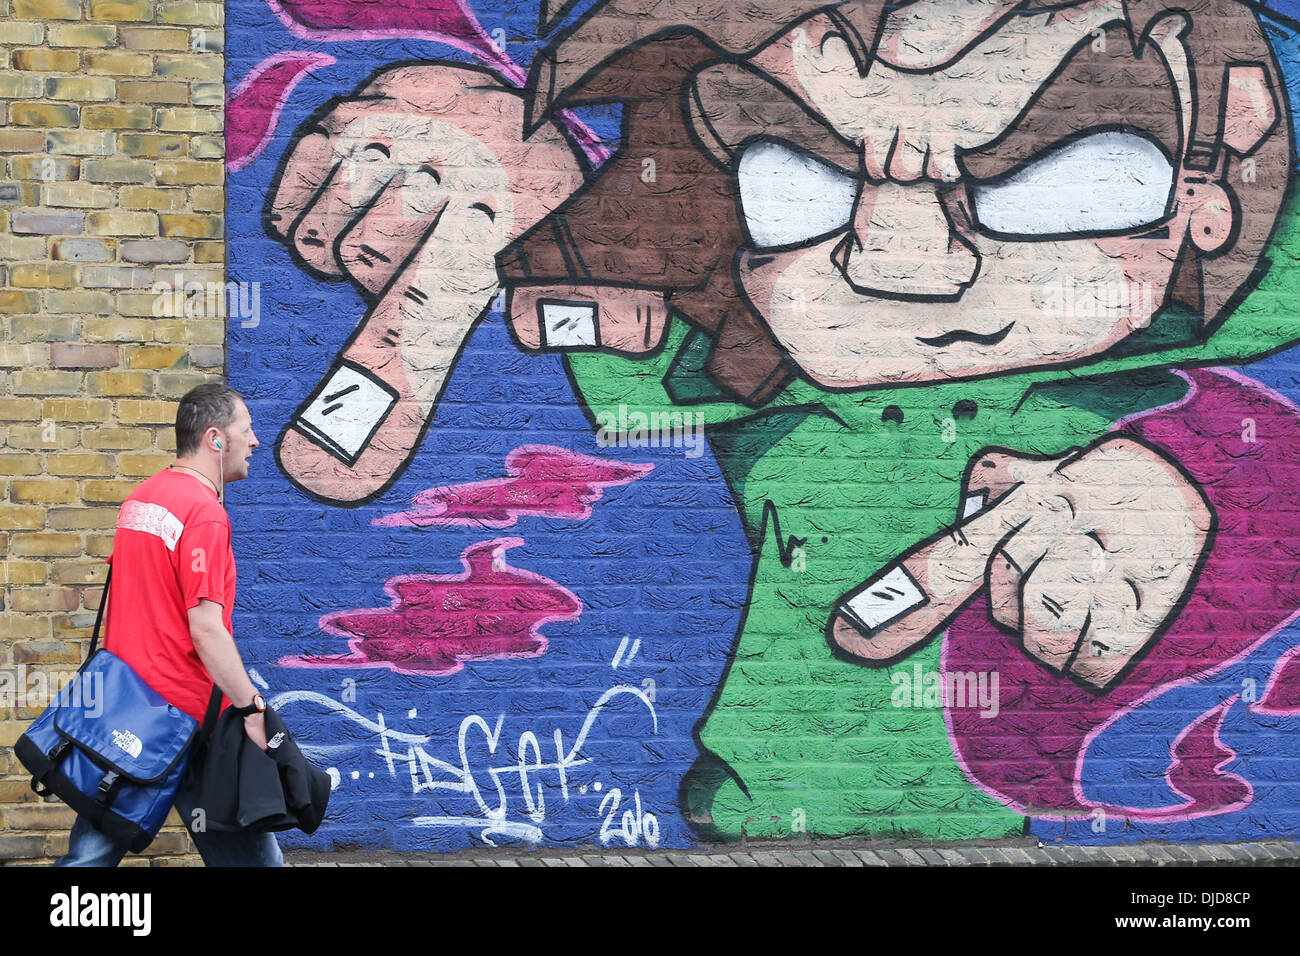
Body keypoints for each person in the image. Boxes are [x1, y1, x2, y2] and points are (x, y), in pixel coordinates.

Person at [56, 383, 283, 867]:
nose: (257, 441)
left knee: (93, 853)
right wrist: (252, 708)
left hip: (127, 712)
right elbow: (206, 628)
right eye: (248, 430)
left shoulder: (142, 499)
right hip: (183, 717)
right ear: (216, 439)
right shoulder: (204, 514)